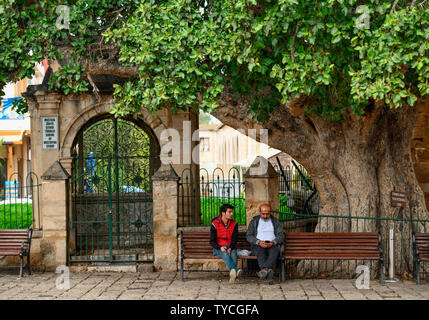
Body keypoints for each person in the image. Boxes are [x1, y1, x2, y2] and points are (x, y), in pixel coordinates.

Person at [246, 203, 284, 284]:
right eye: (263, 214)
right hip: (258, 244)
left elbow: (281, 235)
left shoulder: (275, 221)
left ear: (270, 213)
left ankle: (264, 270)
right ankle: (267, 270)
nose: (265, 216)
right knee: (260, 253)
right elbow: (249, 236)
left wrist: (273, 242)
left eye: (267, 214)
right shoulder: (254, 221)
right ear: (260, 212)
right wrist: (258, 242)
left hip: (272, 244)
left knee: (275, 251)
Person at [210, 203, 242, 283]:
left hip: (231, 246)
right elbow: (212, 241)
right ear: (223, 213)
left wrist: (230, 247)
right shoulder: (215, 223)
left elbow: (235, 238)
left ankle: (232, 277)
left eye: (232, 212)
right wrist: (220, 247)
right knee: (225, 253)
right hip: (218, 247)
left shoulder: (234, 223)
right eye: (229, 212)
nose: (232, 214)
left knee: (233, 254)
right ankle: (236, 270)